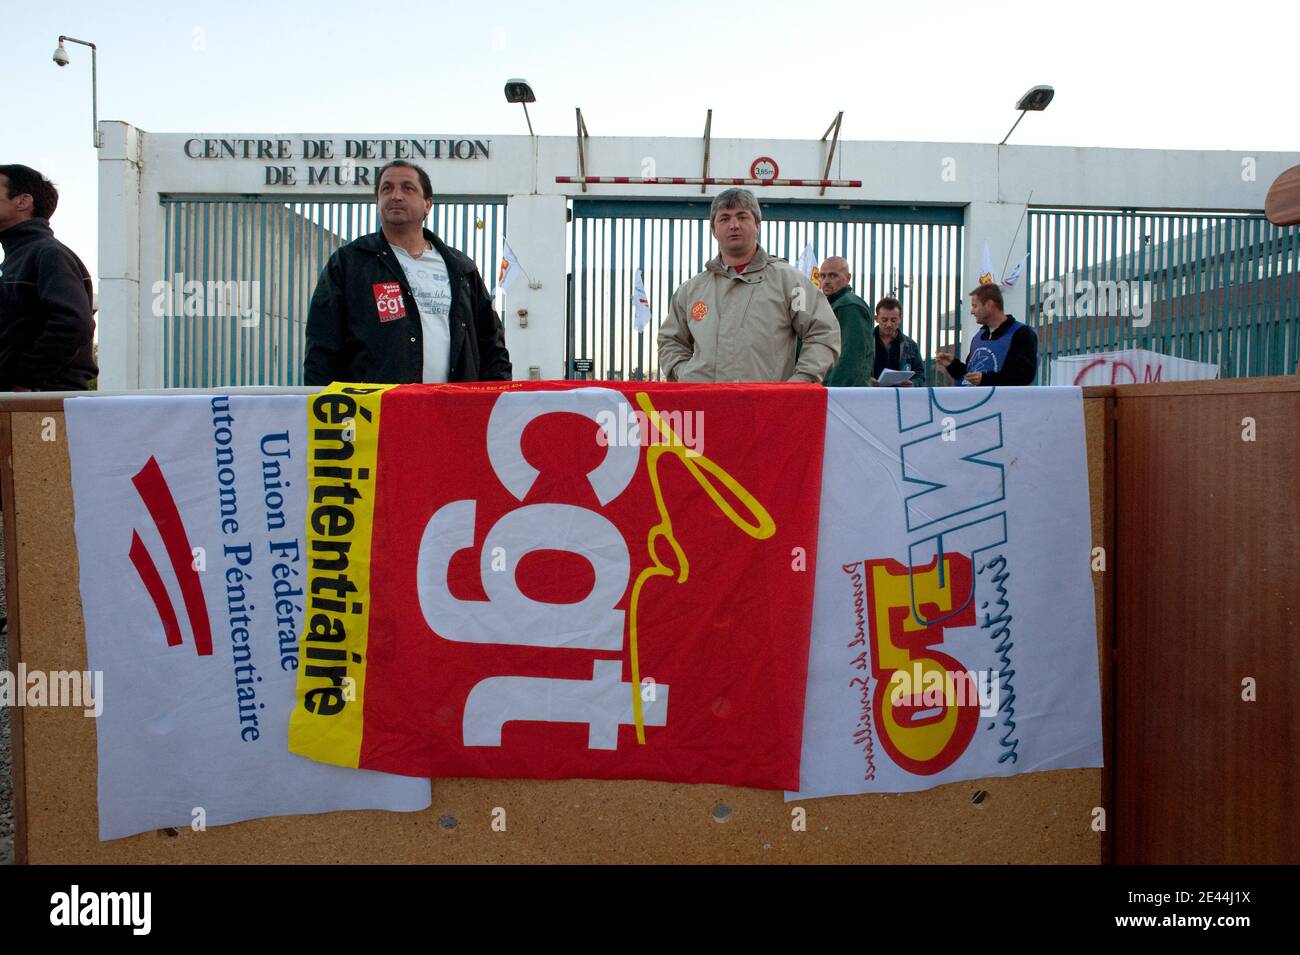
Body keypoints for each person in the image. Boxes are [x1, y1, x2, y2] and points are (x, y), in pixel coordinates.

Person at [304, 159, 510, 385]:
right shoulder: (349, 264)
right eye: (387, 188)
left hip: (453, 412)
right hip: (375, 413)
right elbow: (321, 348)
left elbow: (492, 347)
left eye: (407, 188)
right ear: (377, 201)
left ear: (427, 205)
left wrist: (496, 403)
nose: (396, 195)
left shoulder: (462, 269)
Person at [658, 189, 839, 382]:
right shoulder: (691, 291)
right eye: (724, 219)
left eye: (742, 217)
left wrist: (799, 383)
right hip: (704, 405)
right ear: (713, 230)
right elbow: (670, 341)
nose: (734, 225)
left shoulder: (789, 282)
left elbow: (822, 333)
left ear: (757, 225)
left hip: (766, 408)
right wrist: (684, 374)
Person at [0, 165, 97, 391]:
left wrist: (24, 380)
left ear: (23, 201)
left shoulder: (49, 254)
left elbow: (74, 323)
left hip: (40, 402)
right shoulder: (18, 258)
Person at [937, 283, 1038, 386]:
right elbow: (971, 374)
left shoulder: (1022, 333)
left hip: (1001, 401)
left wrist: (986, 379)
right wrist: (953, 365)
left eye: (975, 306)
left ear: (989, 305)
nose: (972, 311)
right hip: (975, 400)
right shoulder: (979, 336)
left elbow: (1024, 376)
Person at [819, 257, 873, 387]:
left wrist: (834, 389)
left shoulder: (848, 305)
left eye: (833, 276)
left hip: (844, 392)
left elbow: (850, 355)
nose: (826, 281)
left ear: (848, 278)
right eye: (823, 276)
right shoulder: (833, 305)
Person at [870, 296, 927, 387]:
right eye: (884, 320)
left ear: (900, 319)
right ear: (876, 318)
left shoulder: (910, 345)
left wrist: (912, 384)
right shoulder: (865, 342)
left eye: (893, 320)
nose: (889, 324)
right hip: (871, 396)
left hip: (901, 397)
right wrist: (865, 380)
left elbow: (920, 374)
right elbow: (853, 369)